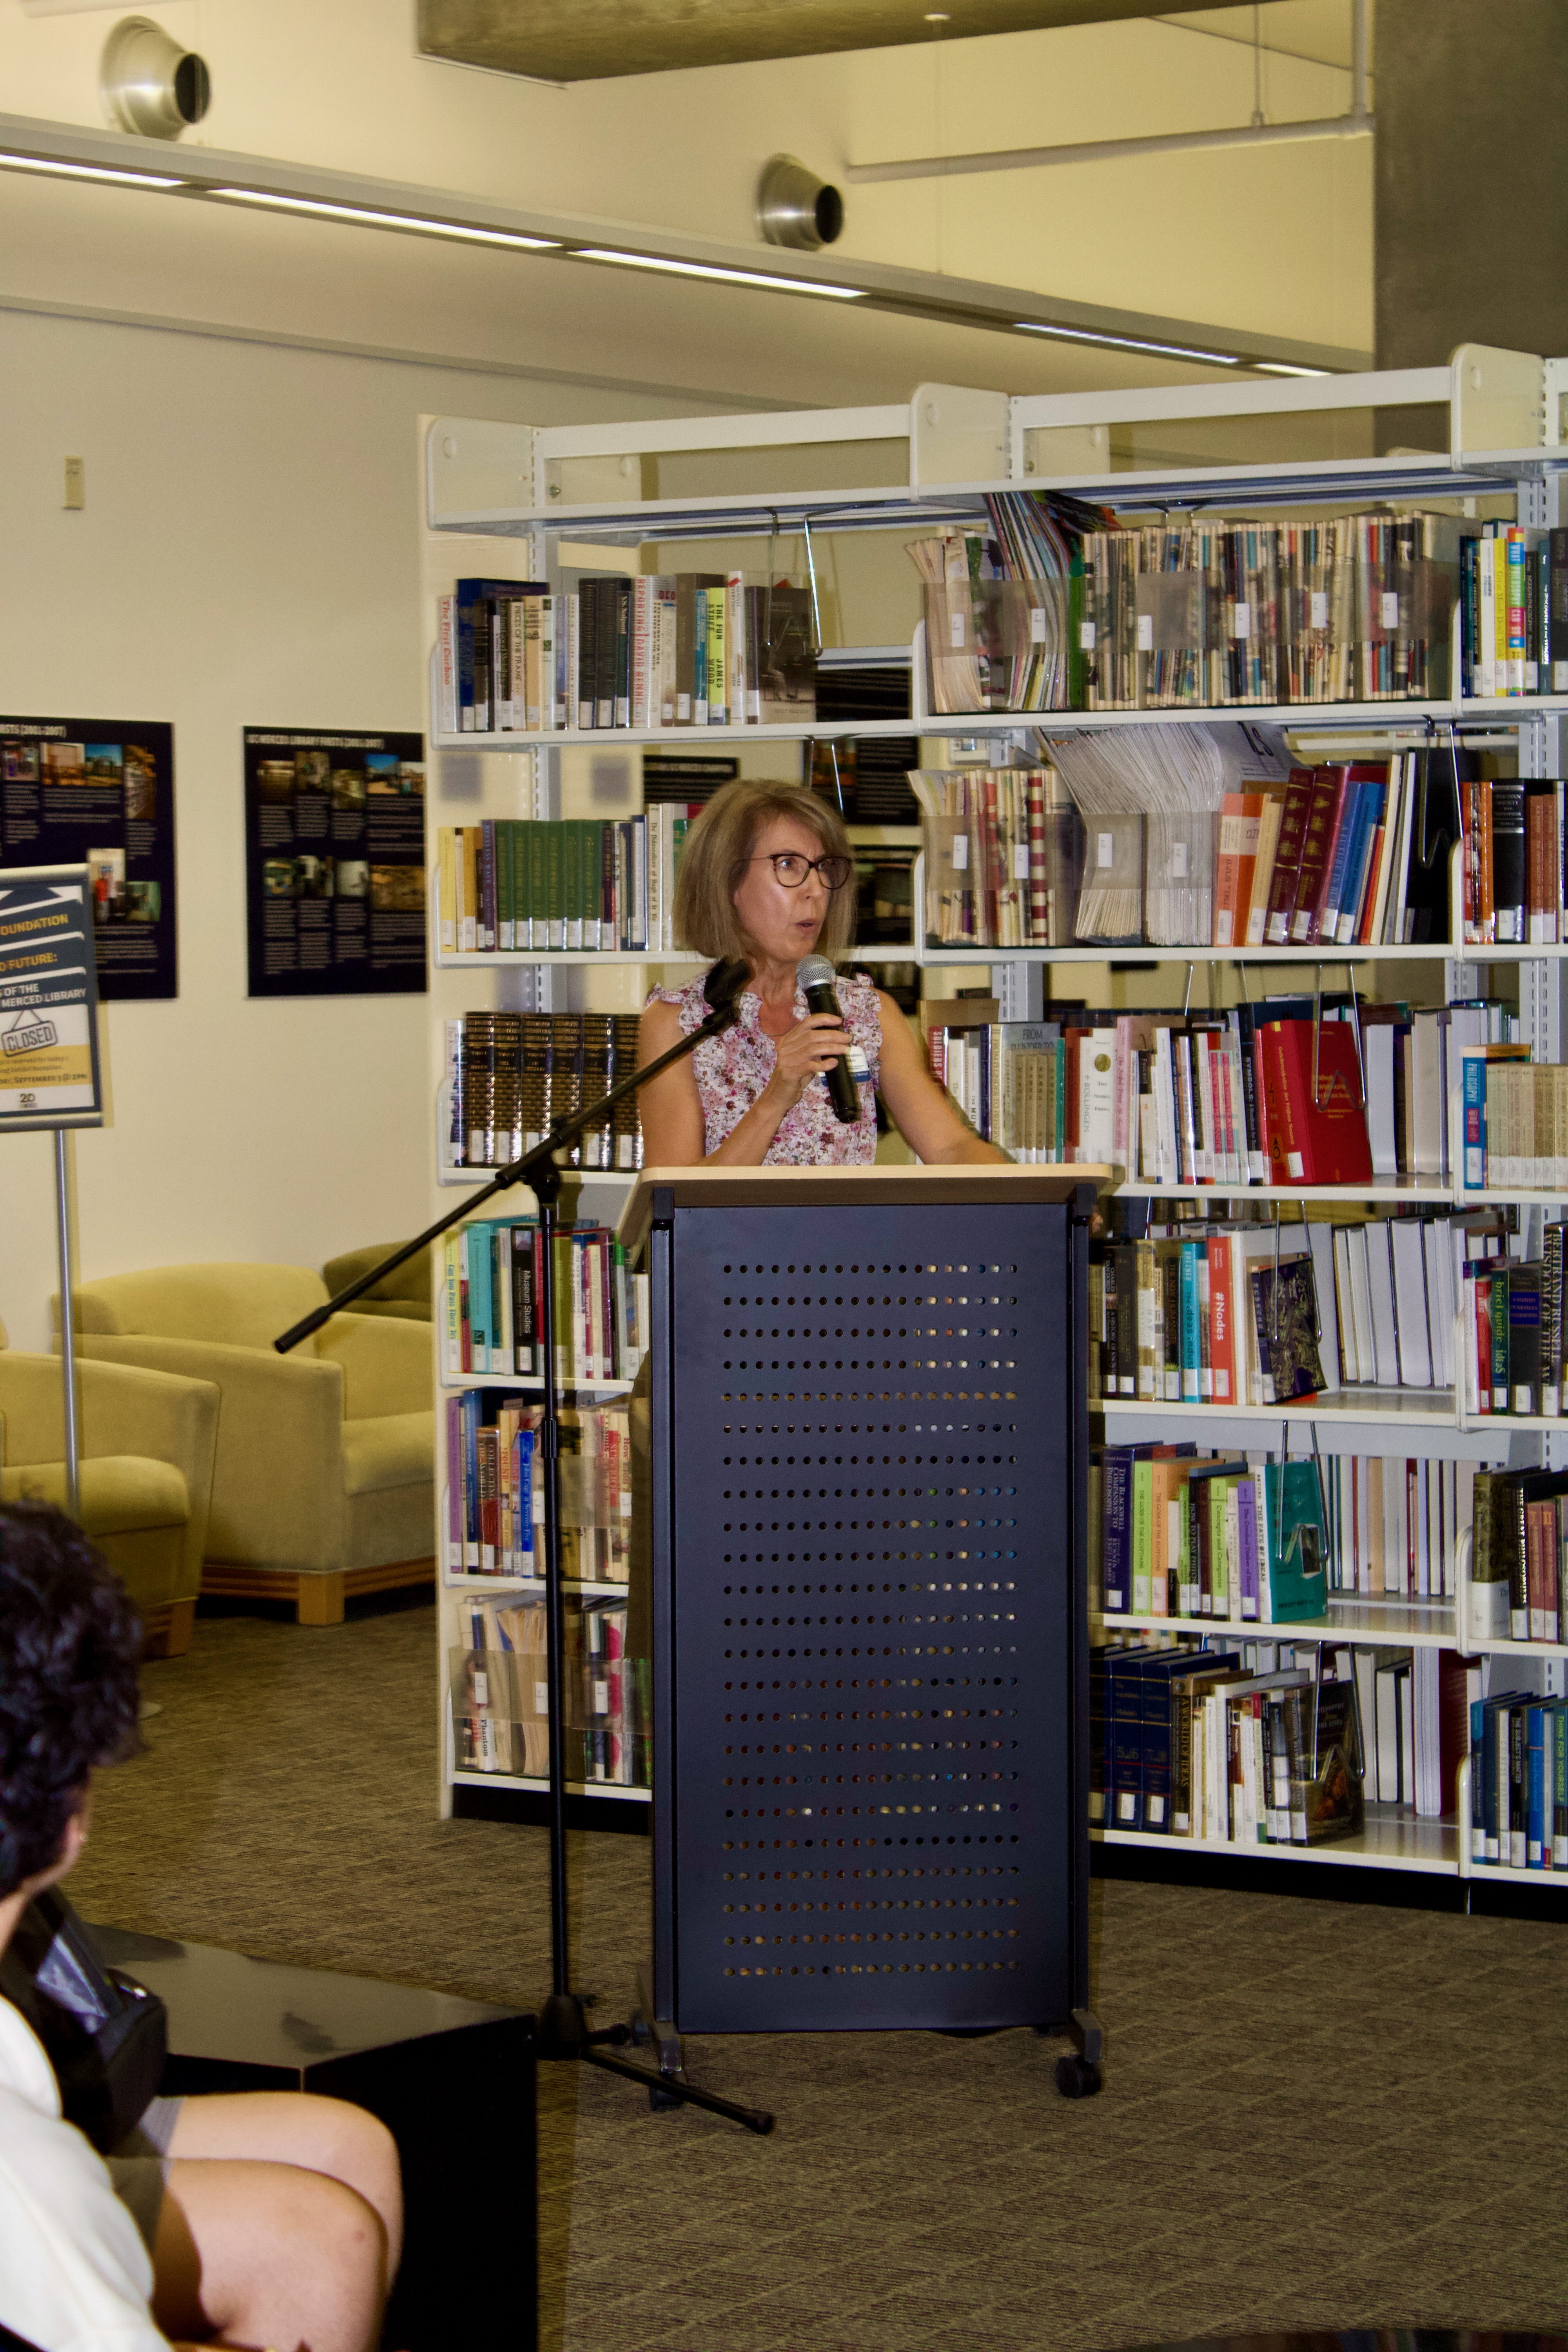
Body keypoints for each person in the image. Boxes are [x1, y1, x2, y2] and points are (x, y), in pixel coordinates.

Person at [0, 1501, 398, 2352]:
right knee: (323, 2237)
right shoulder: (25, 2172)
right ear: (72, 1815)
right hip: (46, 2151)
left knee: (349, 2151)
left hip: (61, 2092)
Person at [638, 778, 1008, 1169]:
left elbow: (950, 1149)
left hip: (848, 1230)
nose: (815, 888)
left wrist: (1049, 1197)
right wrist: (778, 1094)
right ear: (726, 881)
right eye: (788, 865)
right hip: (729, 1232)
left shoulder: (867, 1013)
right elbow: (675, 1194)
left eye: (824, 869)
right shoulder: (677, 1023)